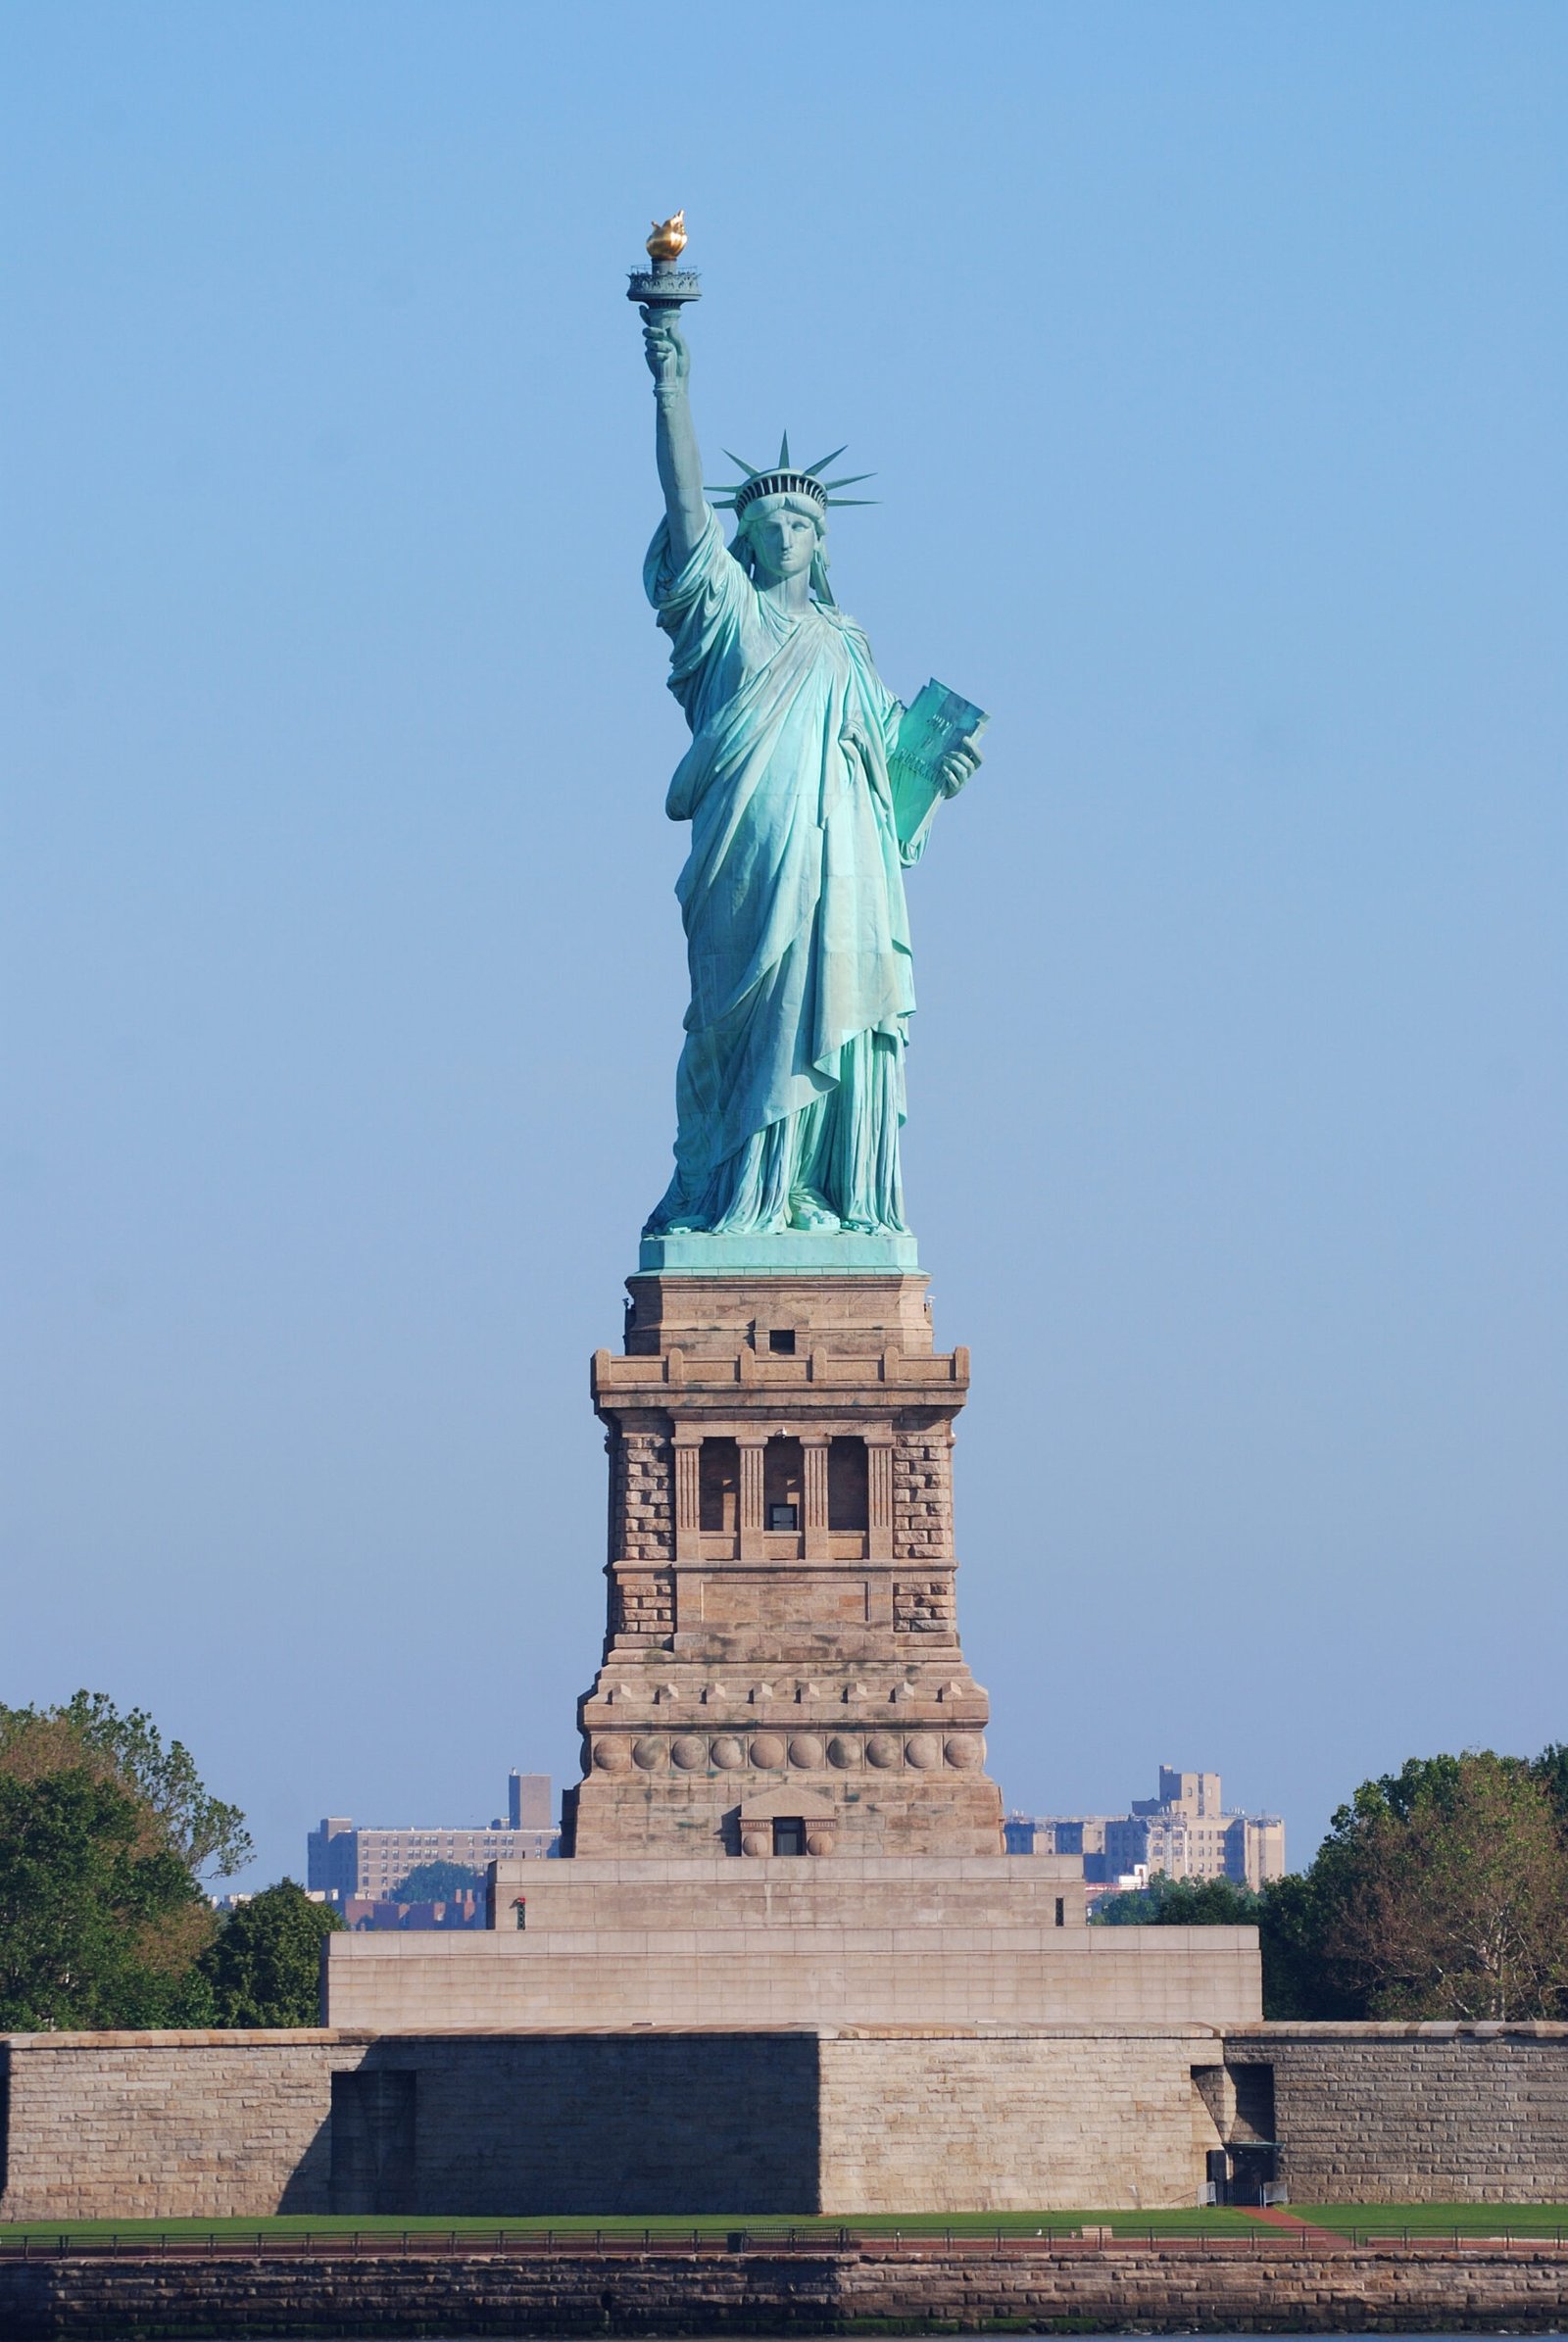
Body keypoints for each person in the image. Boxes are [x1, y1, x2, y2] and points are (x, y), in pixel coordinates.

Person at [640, 307, 979, 1240]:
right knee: (746, 1021)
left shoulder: (850, 649)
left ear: (822, 540)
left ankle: (825, 1196)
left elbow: (889, 798)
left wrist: (933, 778)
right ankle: (746, 1194)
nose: (783, 530)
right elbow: (682, 508)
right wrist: (671, 384)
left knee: (843, 1013)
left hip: (849, 873)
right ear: (742, 540)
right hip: (753, 862)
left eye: (799, 518)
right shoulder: (726, 621)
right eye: (765, 520)